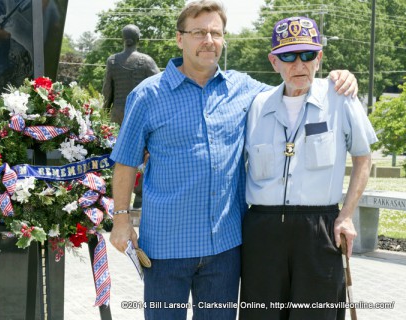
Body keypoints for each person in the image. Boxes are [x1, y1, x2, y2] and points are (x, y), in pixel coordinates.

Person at [109, 1, 357, 319]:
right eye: (199, 32)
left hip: (225, 249)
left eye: (216, 32)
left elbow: (295, 83)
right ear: (179, 38)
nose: (208, 40)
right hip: (166, 246)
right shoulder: (147, 96)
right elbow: (126, 161)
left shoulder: (245, 90)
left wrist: (339, 78)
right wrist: (120, 221)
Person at [240, 16, 377, 320]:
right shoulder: (257, 105)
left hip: (319, 228)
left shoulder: (340, 97)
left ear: (320, 58)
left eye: (307, 55)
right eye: (288, 56)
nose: (298, 64)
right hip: (263, 230)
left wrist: (346, 216)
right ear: (274, 62)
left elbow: (363, 157)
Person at [102, 24, 160, 125]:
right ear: (138, 39)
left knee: (115, 140)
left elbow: (107, 91)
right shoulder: (147, 61)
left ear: (123, 39)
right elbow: (160, 86)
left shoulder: (112, 61)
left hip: (117, 115)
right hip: (139, 113)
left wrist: (104, 112)